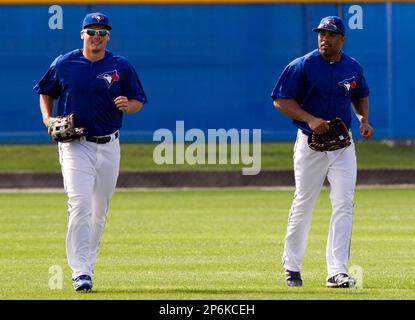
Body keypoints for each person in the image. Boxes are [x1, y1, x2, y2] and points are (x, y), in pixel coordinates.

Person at [34, 12, 148, 292]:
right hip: (76, 145)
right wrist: (48, 119)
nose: (96, 36)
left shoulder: (121, 66)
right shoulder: (64, 63)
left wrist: (128, 105)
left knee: (98, 211)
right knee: (80, 205)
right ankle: (80, 271)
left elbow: (138, 101)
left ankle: (88, 263)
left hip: (110, 144)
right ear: (82, 34)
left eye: (102, 31)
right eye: (91, 31)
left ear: (108, 36)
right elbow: (45, 91)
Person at [271, 16, 373, 288]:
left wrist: (363, 119)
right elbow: (280, 100)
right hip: (310, 142)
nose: (324, 38)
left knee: (344, 203)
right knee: (304, 202)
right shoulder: (302, 65)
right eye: (321, 34)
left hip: (342, 144)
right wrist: (309, 119)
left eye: (330, 34)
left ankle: (337, 271)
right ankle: (292, 266)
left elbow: (360, 94)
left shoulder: (352, 67)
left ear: (342, 39)